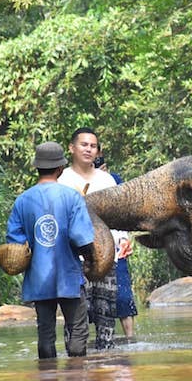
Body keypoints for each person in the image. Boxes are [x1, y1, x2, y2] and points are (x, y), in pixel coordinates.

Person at [5, 141, 96, 359]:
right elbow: (80, 237)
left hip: (39, 278)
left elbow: (14, 244)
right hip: (69, 277)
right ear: (60, 169)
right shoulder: (72, 197)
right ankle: (76, 380)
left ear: (37, 167)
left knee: (45, 334)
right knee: (77, 331)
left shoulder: (22, 200)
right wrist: (91, 260)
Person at [57, 127, 133, 349]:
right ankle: (75, 366)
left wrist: (122, 240)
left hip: (106, 255)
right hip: (73, 259)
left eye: (93, 146)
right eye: (84, 145)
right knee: (76, 314)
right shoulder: (62, 180)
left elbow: (118, 215)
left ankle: (105, 367)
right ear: (72, 148)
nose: (89, 149)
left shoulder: (107, 180)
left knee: (106, 313)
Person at [96, 153, 138, 340]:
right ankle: (103, 338)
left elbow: (125, 213)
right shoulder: (75, 181)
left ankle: (130, 338)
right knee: (95, 298)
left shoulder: (114, 181)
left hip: (115, 244)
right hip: (90, 249)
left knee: (122, 295)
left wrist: (124, 238)